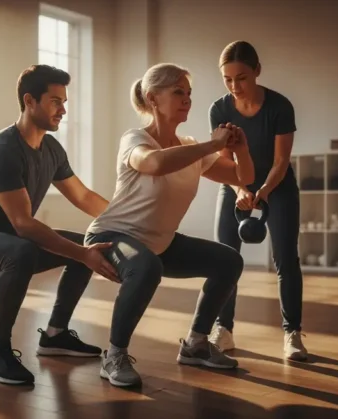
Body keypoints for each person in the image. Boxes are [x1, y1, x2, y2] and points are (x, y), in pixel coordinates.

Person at [0, 65, 119, 386]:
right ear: (29, 101)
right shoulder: (2, 150)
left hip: (7, 240)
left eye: (64, 101)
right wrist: (81, 253)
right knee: (40, 250)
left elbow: (83, 196)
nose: (63, 109)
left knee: (84, 245)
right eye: (55, 101)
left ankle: (55, 335)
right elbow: (23, 224)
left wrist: (126, 218)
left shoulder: (51, 149)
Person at [84, 63, 256, 388]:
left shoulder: (189, 144)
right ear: (152, 98)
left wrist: (241, 151)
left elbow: (242, 177)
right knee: (147, 267)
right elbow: (156, 164)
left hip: (159, 243)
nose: (187, 99)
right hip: (112, 237)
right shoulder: (135, 138)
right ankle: (115, 355)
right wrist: (211, 145)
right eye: (178, 92)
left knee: (228, 260)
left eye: (189, 93)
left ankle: (196, 344)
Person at [209, 41, 308, 361]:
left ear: (257, 72)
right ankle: (223, 330)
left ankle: (292, 333)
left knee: (285, 259)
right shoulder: (219, 109)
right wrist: (240, 191)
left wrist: (262, 192)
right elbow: (224, 161)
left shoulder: (280, 106)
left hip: (276, 187)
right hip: (234, 184)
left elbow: (281, 162)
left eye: (242, 78)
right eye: (227, 79)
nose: (235, 86)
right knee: (224, 259)